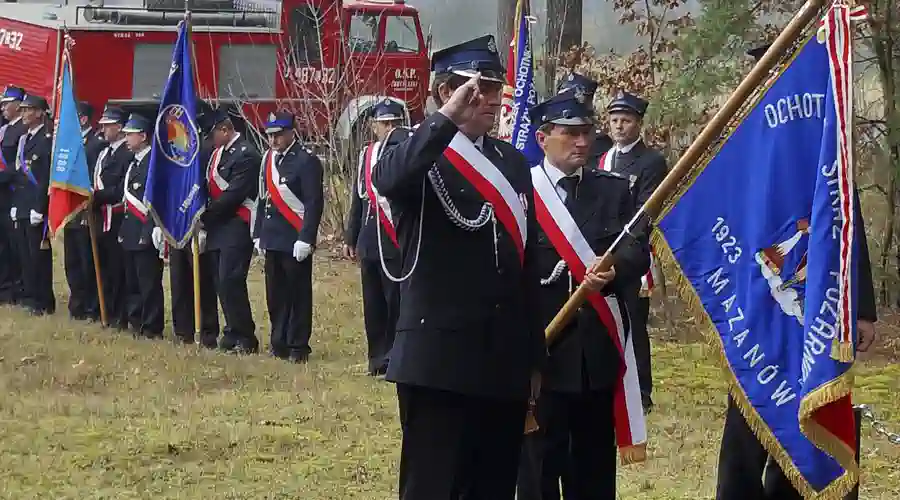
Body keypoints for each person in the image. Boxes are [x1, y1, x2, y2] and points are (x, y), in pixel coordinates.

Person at [372, 35, 545, 500]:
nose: (491, 99)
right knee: (433, 486)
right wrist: (445, 118)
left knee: (492, 486)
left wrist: (534, 356)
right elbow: (388, 179)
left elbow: (525, 261)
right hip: (438, 357)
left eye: (496, 88)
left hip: (502, 357)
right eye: (480, 88)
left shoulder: (511, 162)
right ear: (448, 91)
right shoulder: (416, 146)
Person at [714, 44, 878, 500]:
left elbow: (848, 224)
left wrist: (862, 308)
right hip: (753, 300)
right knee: (749, 408)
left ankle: (796, 489)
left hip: (815, 304)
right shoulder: (738, 139)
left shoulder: (823, 138)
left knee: (810, 398)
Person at [516, 90, 650, 500]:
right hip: (544, 351)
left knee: (593, 471)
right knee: (539, 470)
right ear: (542, 139)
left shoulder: (612, 190)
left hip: (595, 354)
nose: (582, 142)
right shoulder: (521, 192)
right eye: (570, 133)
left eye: (587, 132)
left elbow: (636, 247)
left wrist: (614, 270)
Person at [597, 90, 667, 412]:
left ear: (638, 123)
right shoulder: (603, 158)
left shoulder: (651, 162)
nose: (619, 126)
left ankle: (641, 391)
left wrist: (623, 250)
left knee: (634, 324)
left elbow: (646, 211)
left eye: (625, 120)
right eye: (614, 120)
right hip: (603, 250)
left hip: (633, 251)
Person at [343, 99, 412, 376]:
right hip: (371, 237)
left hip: (394, 238)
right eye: (384, 123)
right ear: (374, 126)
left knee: (394, 300)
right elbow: (359, 198)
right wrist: (351, 236)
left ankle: (394, 357)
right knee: (372, 303)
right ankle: (376, 358)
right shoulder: (367, 154)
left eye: (394, 123)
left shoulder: (405, 152)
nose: (389, 128)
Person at [254, 111, 324, 361]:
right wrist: (258, 233)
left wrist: (306, 237)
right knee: (275, 295)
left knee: (297, 294)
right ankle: (279, 341)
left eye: (278, 135)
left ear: (291, 133)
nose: (273, 140)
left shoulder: (306, 161)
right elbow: (263, 198)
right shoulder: (268, 159)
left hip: (294, 237)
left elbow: (314, 202)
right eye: (270, 135)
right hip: (273, 237)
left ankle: (297, 345)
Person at [201, 107, 260, 352]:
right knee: (219, 282)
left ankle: (245, 336)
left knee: (231, 280)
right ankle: (231, 331)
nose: (210, 140)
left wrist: (203, 217)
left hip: (236, 225)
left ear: (225, 130)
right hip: (218, 227)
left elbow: (233, 195)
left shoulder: (246, 154)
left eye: (212, 134)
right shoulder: (218, 154)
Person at [167, 113, 220, 348]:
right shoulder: (175, 150)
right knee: (179, 278)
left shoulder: (205, 151)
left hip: (198, 222)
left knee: (202, 280)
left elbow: (207, 187)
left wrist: (204, 221)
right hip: (178, 221)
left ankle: (206, 330)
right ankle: (183, 329)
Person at [119, 113, 165, 338]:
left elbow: (157, 199)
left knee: (148, 283)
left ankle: (151, 326)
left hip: (145, 230)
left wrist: (152, 228)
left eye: (130, 134)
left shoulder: (154, 164)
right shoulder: (134, 163)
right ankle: (135, 321)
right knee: (133, 282)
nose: (126, 138)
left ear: (144, 136)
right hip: (130, 229)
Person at [9, 94, 55, 315]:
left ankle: (43, 301)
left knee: (39, 256)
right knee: (25, 254)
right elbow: (20, 175)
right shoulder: (24, 139)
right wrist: (17, 204)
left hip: (37, 207)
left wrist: (40, 207)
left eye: (28, 110)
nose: (24, 114)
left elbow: (45, 177)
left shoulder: (46, 140)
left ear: (39, 113)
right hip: (23, 204)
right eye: (23, 109)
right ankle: (31, 297)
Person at [63, 101, 107, 321]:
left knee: (87, 260)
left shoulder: (96, 144)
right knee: (71, 261)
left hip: (87, 210)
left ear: (83, 119)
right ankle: (77, 304)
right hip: (70, 208)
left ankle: (91, 307)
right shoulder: (69, 143)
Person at [91, 105, 133, 329]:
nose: (104, 129)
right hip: (101, 217)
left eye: (108, 125)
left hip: (117, 217)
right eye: (103, 125)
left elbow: (120, 190)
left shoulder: (127, 154)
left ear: (119, 127)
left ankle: (120, 315)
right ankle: (106, 311)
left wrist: (96, 196)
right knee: (105, 267)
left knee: (119, 270)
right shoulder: (104, 153)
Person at [0, 86, 28, 305]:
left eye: (6, 103)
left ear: (18, 105)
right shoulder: (5, 129)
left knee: (14, 245)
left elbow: (19, 164)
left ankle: (15, 289)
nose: (3, 107)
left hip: (12, 193)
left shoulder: (22, 130)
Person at [557, 72, 613, 161]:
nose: (564, 106)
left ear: (587, 104)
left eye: (570, 101)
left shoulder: (598, 141)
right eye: (561, 100)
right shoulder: (549, 131)